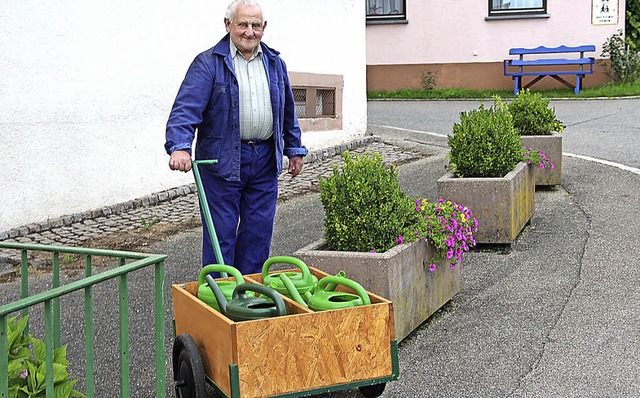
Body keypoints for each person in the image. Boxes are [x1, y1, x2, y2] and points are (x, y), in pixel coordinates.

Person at [164, 0, 307, 275]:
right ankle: (220, 303)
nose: (249, 31)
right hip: (221, 162)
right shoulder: (208, 64)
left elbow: (287, 109)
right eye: (243, 24)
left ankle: (249, 300)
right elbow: (186, 108)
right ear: (228, 25)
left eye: (255, 25)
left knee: (257, 235)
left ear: (264, 28)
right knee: (221, 237)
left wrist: (294, 148)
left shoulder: (275, 63)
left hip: (264, 161)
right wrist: (180, 146)